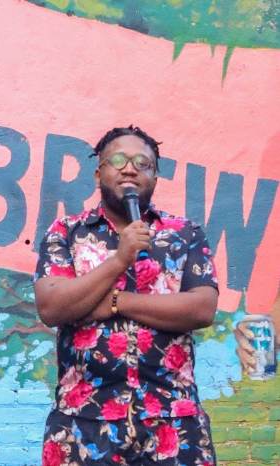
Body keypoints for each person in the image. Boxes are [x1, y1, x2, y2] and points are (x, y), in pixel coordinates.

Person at [34, 126, 218, 465]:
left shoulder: (185, 234)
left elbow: (202, 309)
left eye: (142, 163)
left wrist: (116, 303)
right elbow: (52, 306)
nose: (130, 168)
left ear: (155, 176)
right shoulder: (65, 232)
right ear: (98, 171)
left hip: (174, 421)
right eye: (117, 159)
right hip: (82, 421)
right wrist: (120, 259)